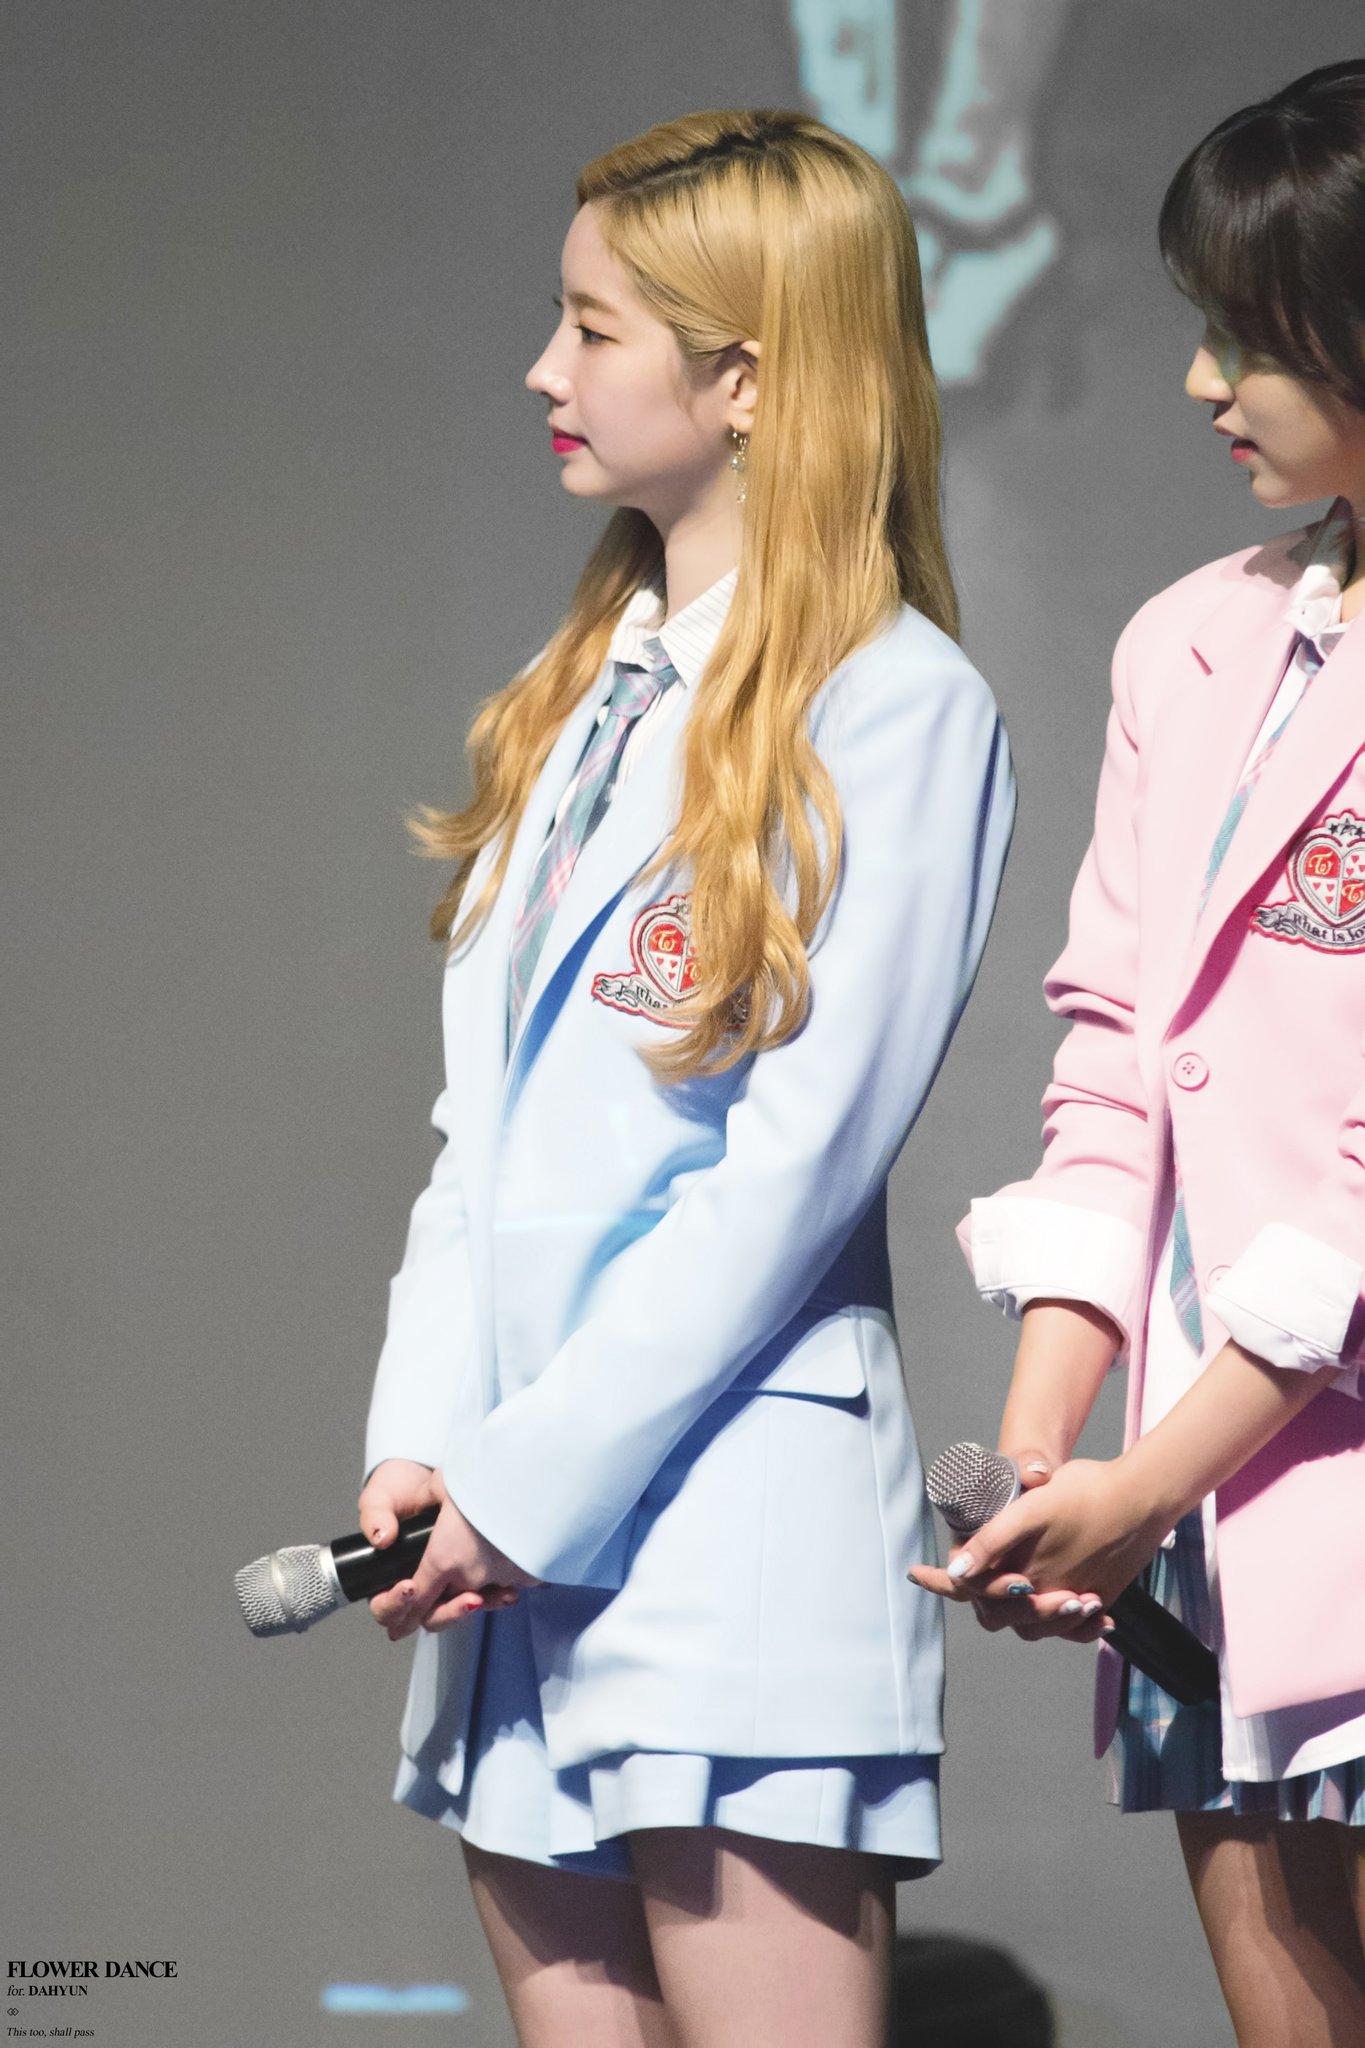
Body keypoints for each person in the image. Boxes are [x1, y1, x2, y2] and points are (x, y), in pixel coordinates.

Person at [355, 110, 1014, 2048]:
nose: (540, 371)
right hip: (504, 1560)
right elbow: (477, 1141)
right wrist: (428, 1442)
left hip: (728, 1538)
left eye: (590, 329)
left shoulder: (895, 705)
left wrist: (523, 1479)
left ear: (743, 377)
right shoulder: (575, 695)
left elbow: (787, 1175)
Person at [912, 59, 1365, 2048]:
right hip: (1204, 1532)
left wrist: (1147, 1476)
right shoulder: (1188, 639)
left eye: (1245, 334)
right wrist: (1043, 1461)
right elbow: (1112, 1063)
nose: (1200, 383)